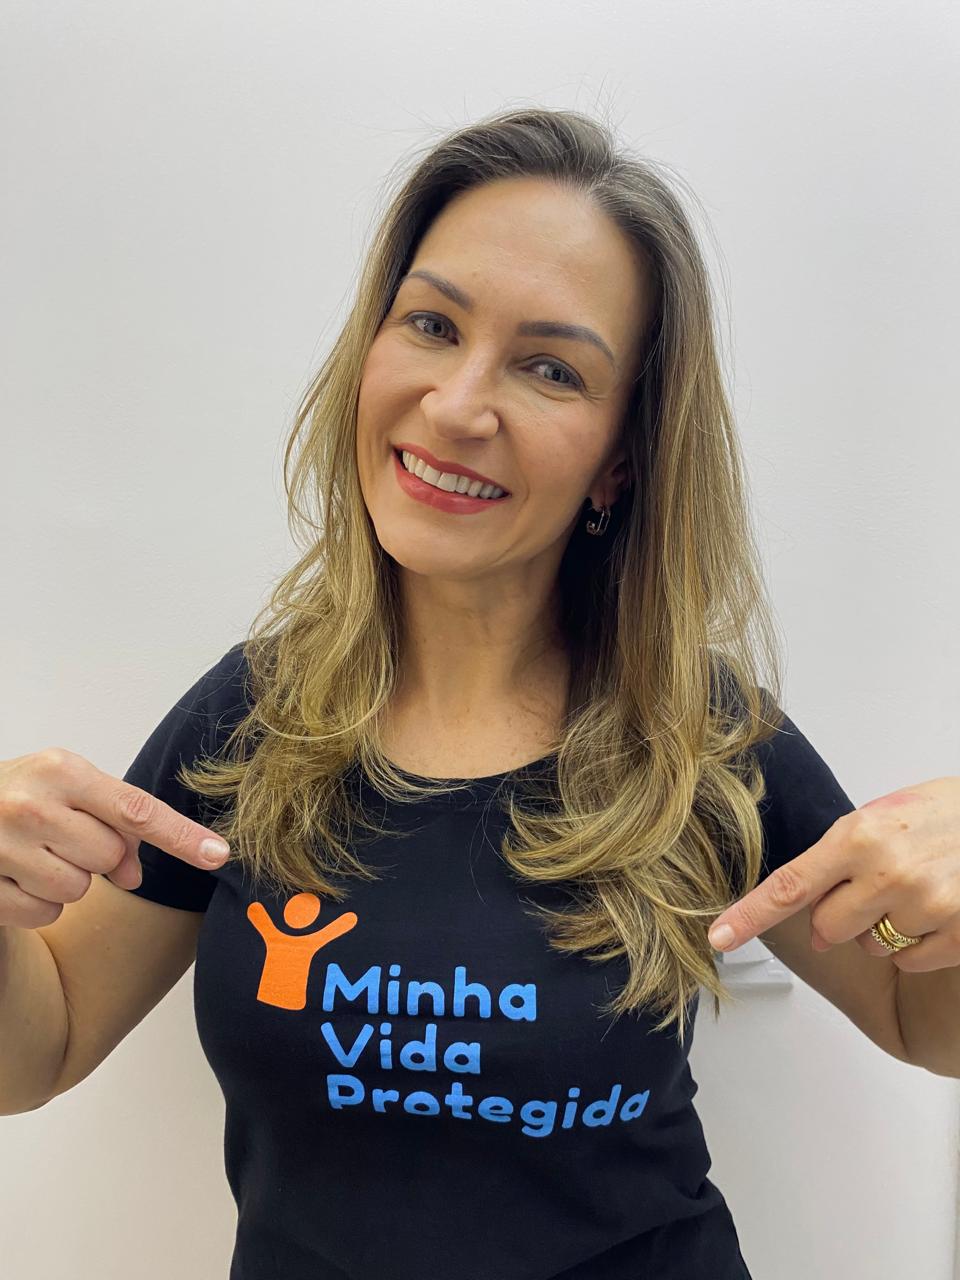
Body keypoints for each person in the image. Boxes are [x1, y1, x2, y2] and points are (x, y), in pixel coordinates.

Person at [2, 106, 873, 1279]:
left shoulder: (699, 734)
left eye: (551, 368)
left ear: (621, 456)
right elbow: (39, 1045)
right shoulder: (253, 716)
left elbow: (923, 1016)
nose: (459, 405)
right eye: (432, 324)